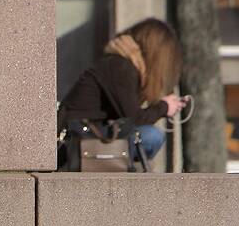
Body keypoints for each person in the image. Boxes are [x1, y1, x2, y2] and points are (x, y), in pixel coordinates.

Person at [59, 18, 187, 166]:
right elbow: (134, 119)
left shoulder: (119, 65)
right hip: (78, 140)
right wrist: (164, 107)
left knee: (147, 136)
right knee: (151, 136)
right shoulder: (120, 67)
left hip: (86, 136)